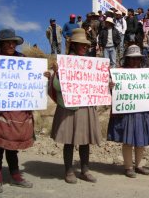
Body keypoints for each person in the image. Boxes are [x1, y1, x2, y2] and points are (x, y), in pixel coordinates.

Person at [0, 28, 48, 193]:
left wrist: (43, 76)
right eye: (7, 42)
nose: (11, 45)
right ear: (0, 45)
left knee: (13, 144)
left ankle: (15, 175)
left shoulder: (24, 61)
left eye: (13, 42)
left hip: (18, 109)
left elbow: (33, 81)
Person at [48, 28, 101, 184]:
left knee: (85, 140)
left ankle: (85, 170)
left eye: (86, 45)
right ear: (74, 45)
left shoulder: (91, 64)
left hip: (86, 106)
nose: (85, 47)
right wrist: (57, 73)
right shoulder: (63, 62)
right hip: (69, 107)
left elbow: (97, 84)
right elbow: (57, 87)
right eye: (81, 45)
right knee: (69, 140)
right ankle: (69, 170)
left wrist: (107, 83)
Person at [107, 45, 149, 178]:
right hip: (126, 112)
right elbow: (111, 92)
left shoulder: (146, 74)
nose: (134, 61)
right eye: (131, 59)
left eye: (137, 59)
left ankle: (139, 165)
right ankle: (128, 167)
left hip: (143, 111)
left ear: (140, 60)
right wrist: (110, 86)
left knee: (141, 138)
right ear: (126, 59)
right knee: (128, 140)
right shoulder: (119, 73)